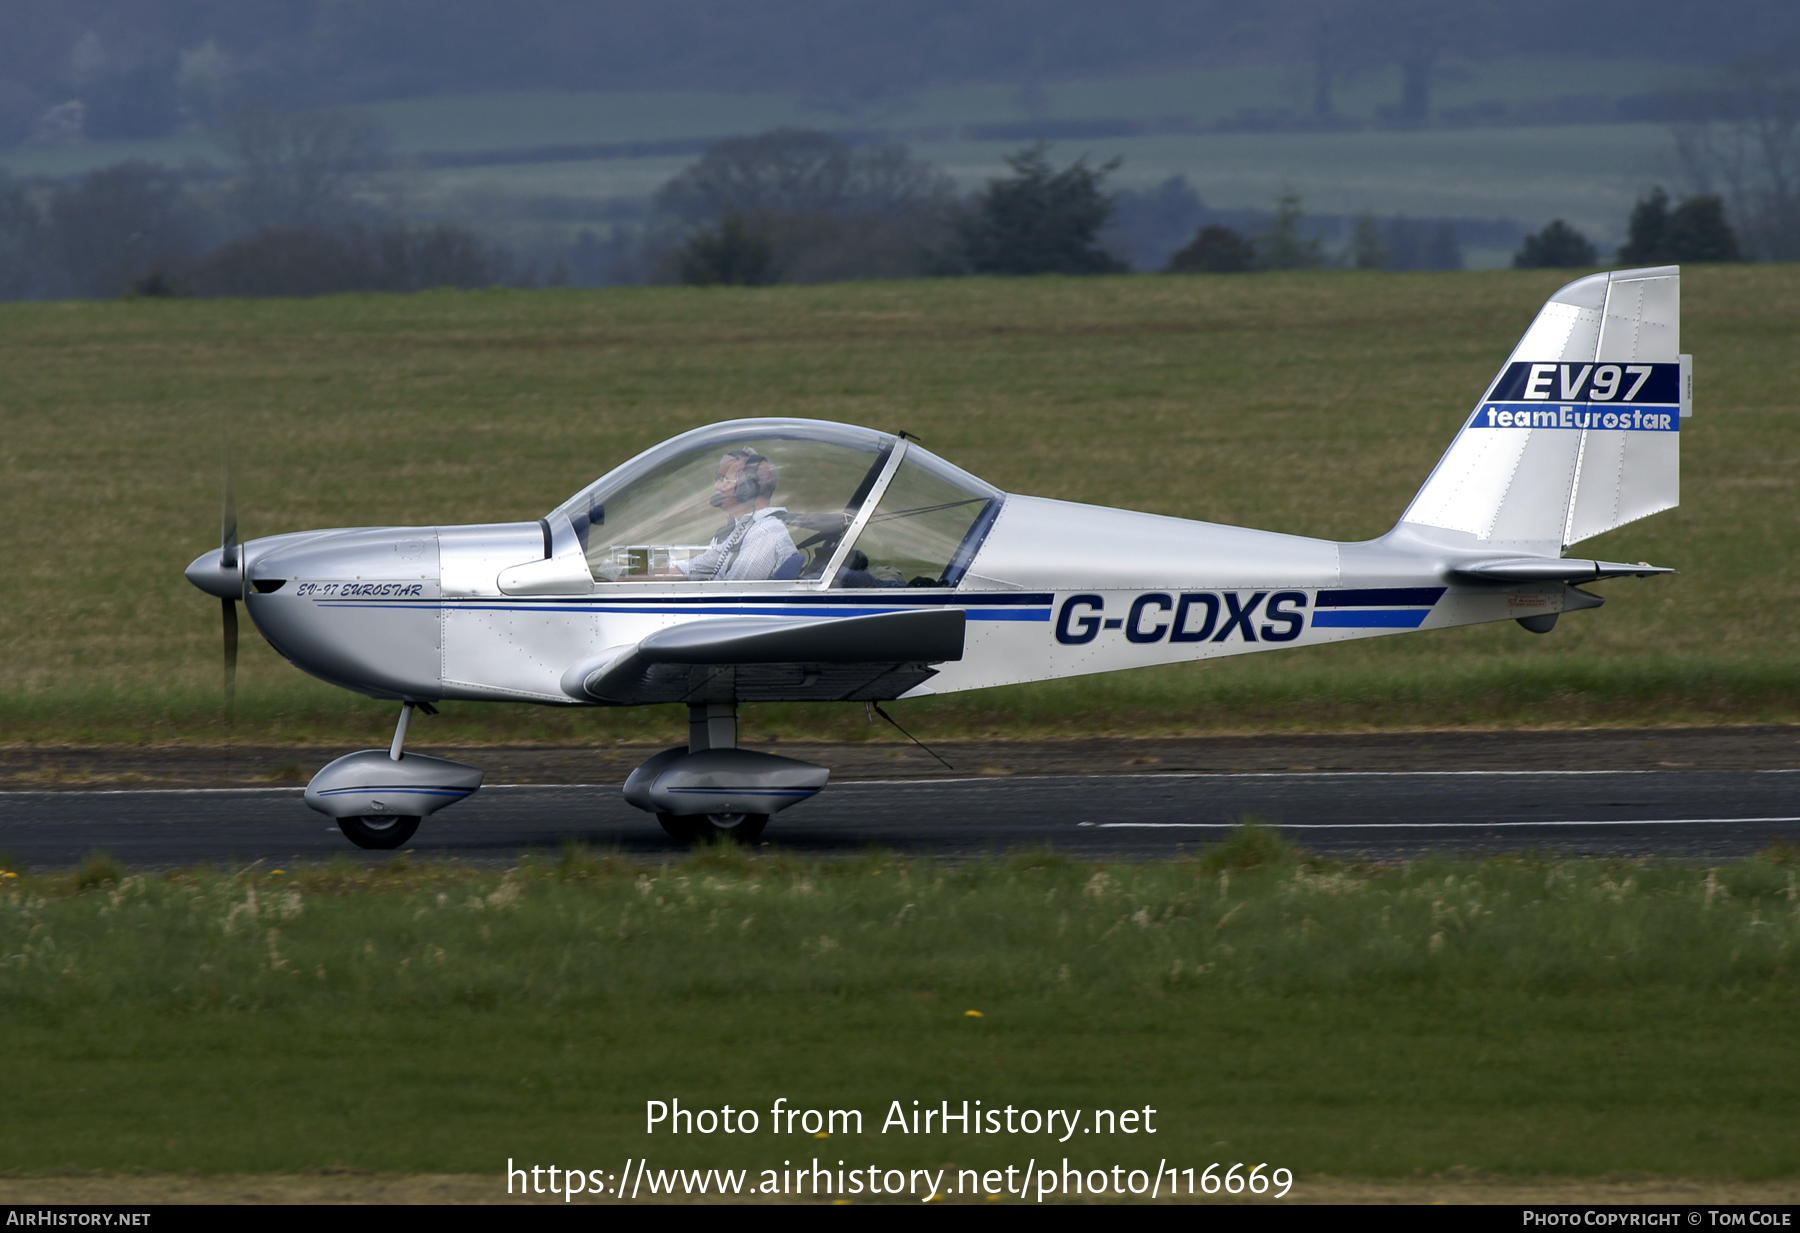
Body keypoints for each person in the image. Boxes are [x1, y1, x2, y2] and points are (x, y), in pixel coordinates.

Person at [675, 448, 801, 581]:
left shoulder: (763, 533)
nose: (717, 487)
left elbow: (729, 594)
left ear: (746, 489)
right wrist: (657, 575)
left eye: (725, 480)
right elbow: (694, 567)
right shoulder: (744, 528)